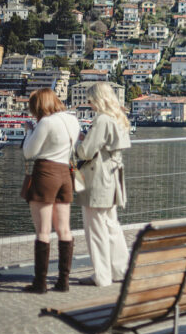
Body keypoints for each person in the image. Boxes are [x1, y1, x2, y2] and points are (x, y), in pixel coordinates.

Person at [21, 88, 81, 293]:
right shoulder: (72, 120)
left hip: (46, 173)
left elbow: (29, 152)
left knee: (43, 231)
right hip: (65, 174)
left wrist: (29, 131)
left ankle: (40, 283)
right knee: (64, 229)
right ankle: (63, 281)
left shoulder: (45, 122)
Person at [75, 82, 132, 287]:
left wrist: (78, 142)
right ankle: (120, 270)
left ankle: (102, 275)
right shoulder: (119, 118)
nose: (89, 104)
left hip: (98, 178)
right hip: (113, 177)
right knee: (111, 226)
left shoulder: (101, 120)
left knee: (96, 229)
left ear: (99, 100)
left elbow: (86, 152)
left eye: (90, 100)